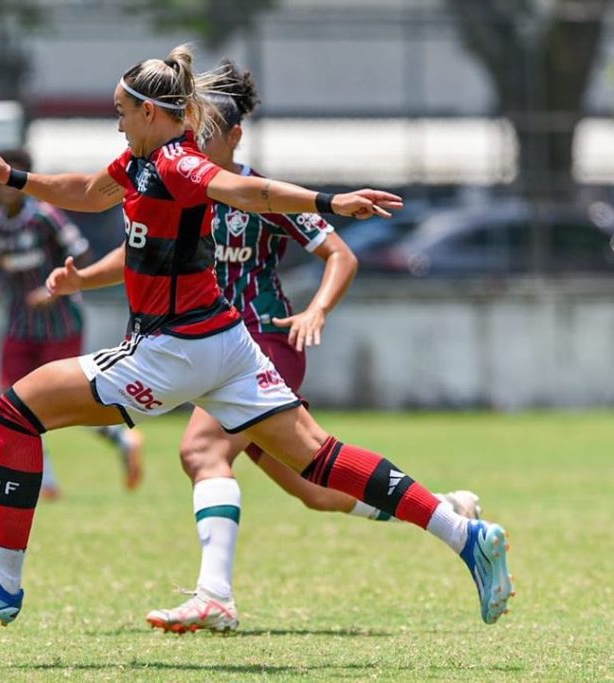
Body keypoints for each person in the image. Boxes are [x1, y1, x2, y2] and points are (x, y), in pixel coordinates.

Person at [0, 45, 513, 629]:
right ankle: (465, 534)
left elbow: (250, 192)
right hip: (225, 341)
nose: (118, 123)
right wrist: (15, 177)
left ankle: (3, 579)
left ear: (151, 112)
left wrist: (330, 201)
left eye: (122, 112)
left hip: (170, 350)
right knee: (318, 460)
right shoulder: (138, 164)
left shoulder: (178, 164)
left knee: (17, 411)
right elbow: (83, 191)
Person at [142, 61, 483, 633]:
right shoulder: (184, 194)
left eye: (206, 135)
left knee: (202, 452)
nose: (194, 144)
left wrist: (316, 309)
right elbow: (137, 254)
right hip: (216, 353)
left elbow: (341, 255)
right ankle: (447, 509)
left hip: (265, 346)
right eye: (190, 134)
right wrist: (79, 280)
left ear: (233, 137)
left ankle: (214, 595)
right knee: (316, 491)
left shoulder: (264, 195)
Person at [0, 148, 144, 497]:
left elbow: (80, 253)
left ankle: (121, 438)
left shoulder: (44, 216)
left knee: (62, 402)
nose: (4, 189)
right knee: (13, 399)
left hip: (60, 322)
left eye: (11, 181)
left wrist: (52, 290)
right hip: (19, 323)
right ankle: (46, 480)